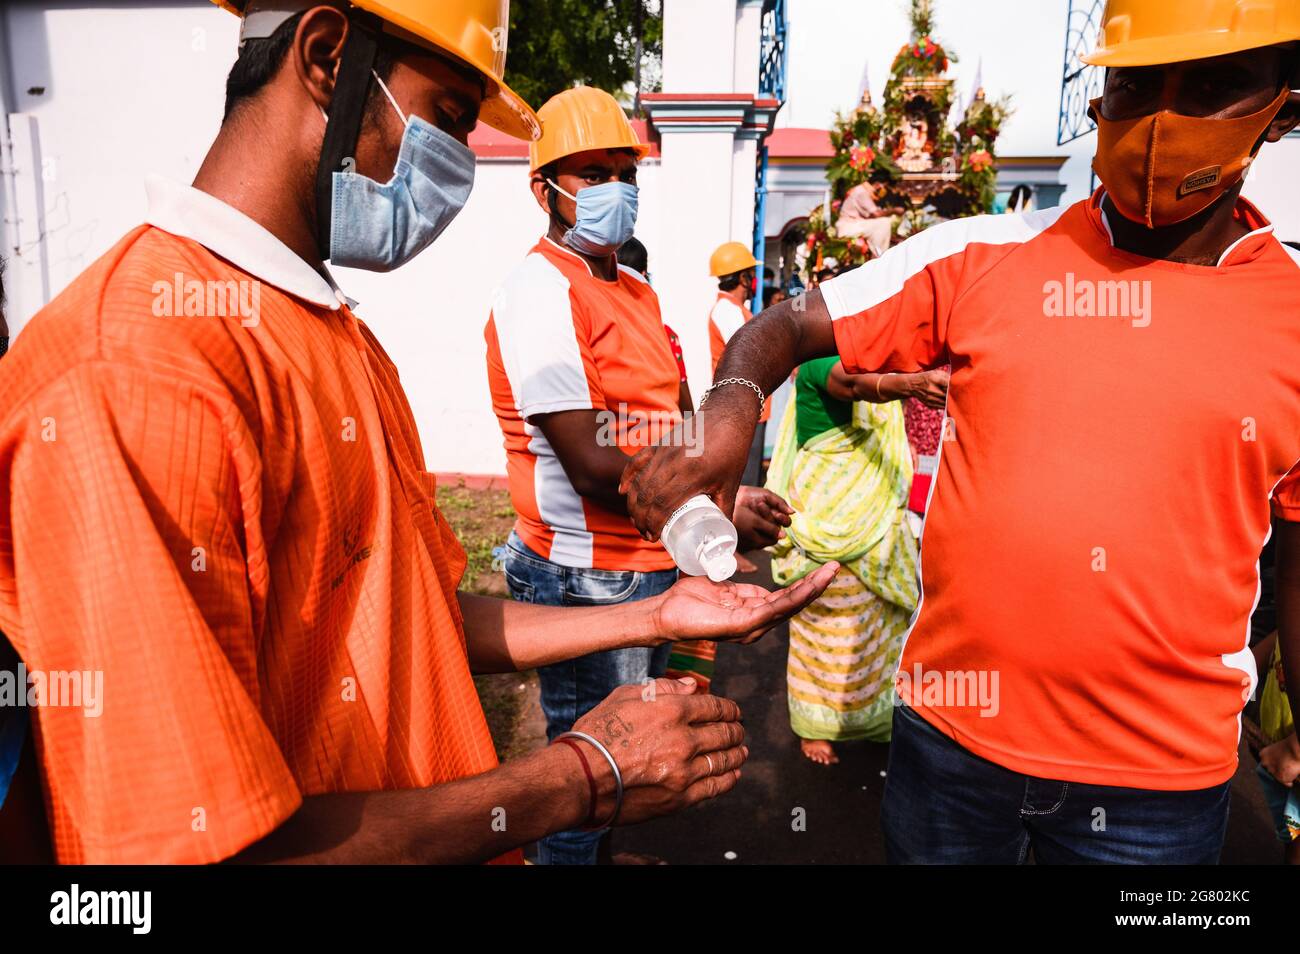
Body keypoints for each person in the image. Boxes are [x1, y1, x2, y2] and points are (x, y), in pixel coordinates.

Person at [0, 0, 836, 865]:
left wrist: (657, 613)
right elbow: (195, 851)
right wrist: (582, 776)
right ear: (328, 57)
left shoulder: (334, 334)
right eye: (446, 120)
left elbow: (423, 613)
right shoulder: (133, 368)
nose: (457, 168)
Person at [621, 0, 1300, 864]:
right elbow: (786, 326)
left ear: (1285, 106)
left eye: (1212, 87)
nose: (1162, 122)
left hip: (1157, 792)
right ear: (1099, 100)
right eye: (1134, 85)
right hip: (953, 746)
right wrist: (726, 418)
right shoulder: (985, 252)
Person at [484, 87, 797, 864]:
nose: (615, 189)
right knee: (587, 768)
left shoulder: (635, 286)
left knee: (630, 754)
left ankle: (597, 852)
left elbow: (680, 424)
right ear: (545, 189)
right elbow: (594, 461)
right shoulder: (539, 290)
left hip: (650, 560)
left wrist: (729, 492)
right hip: (590, 575)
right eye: (592, 174)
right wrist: (712, 509)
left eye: (625, 171)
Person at [767, 358, 947, 764]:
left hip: (877, 524)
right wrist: (912, 383)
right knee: (824, 631)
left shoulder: (884, 362)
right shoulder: (818, 362)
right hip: (824, 523)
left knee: (878, 631)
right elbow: (850, 384)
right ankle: (816, 728)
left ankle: (878, 721)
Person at [708, 241, 771, 487]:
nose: (755, 281)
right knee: (744, 482)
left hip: (748, 408)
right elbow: (750, 354)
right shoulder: (727, 310)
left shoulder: (734, 309)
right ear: (744, 278)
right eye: (752, 275)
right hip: (742, 409)